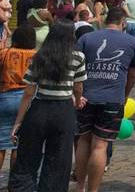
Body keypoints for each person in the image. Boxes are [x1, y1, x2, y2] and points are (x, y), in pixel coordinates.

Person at [8, 20, 86, 192]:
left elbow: (28, 93)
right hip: (64, 110)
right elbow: (78, 87)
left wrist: (18, 122)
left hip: (40, 108)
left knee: (27, 158)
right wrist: (77, 99)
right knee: (58, 161)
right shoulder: (78, 57)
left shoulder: (40, 55)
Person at [74, 7, 135, 192]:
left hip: (86, 97)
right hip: (113, 99)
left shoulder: (86, 38)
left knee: (83, 141)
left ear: (104, 21)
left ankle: (79, 186)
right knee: (100, 146)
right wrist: (124, 94)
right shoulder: (131, 42)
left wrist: (77, 94)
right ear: (123, 23)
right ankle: (93, 190)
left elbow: (75, 69)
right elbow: (133, 75)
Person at [0, 25, 37, 192]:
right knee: (18, 145)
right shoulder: (36, 56)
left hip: (4, 98)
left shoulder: (5, 53)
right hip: (27, 100)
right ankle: (13, 185)